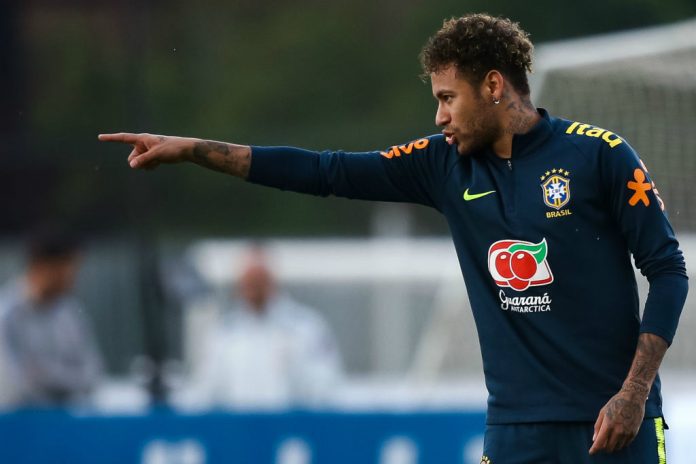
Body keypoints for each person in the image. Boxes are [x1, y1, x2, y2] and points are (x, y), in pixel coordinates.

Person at [99, 13, 688, 462]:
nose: (439, 117)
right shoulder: (442, 165)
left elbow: (667, 270)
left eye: (447, 98)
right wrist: (194, 150)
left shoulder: (600, 155)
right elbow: (325, 171)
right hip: (516, 430)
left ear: (492, 86)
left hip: (619, 424)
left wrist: (634, 393)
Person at [186, 248, 342, 409]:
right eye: (249, 280)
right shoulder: (223, 334)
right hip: (239, 422)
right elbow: (206, 389)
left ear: (272, 280)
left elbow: (324, 386)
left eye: (259, 279)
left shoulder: (306, 327)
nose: (254, 287)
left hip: (291, 423)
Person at [0, 228, 103, 407]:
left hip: (63, 418)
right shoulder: (7, 314)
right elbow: (14, 386)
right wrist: (64, 380)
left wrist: (45, 373)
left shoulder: (71, 314)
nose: (74, 276)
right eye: (70, 267)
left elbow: (92, 375)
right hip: (16, 421)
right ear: (43, 266)